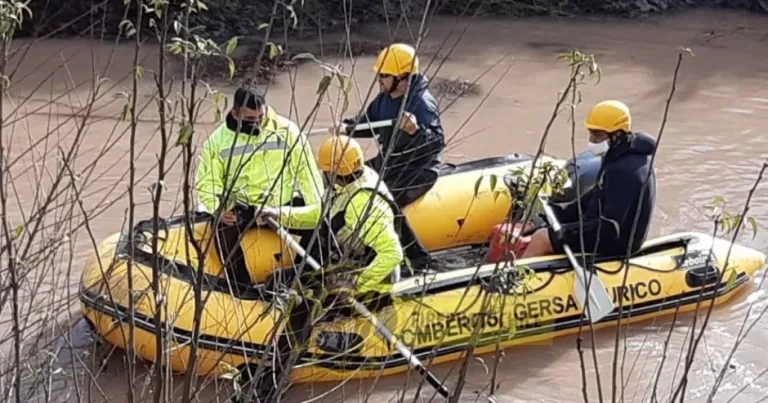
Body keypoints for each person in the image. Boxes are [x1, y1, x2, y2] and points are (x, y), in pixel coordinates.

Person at [194, 87, 325, 290]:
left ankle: (300, 279)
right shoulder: (217, 142)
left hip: (281, 206)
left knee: (319, 227)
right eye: (249, 119)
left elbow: (308, 176)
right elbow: (207, 182)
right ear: (235, 113)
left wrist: (315, 208)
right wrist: (218, 208)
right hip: (242, 209)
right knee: (222, 233)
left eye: (260, 117)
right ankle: (241, 289)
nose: (256, 123)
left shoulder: (287, 132)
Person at [521, 100, 657, 259]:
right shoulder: (618, 155)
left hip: (617, 242)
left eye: (598, 135)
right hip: (602, 228)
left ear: (617, 134)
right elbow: (596, 195)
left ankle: (513, 282)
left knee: (541, 239)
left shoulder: (626, 170)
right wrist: (557, 213)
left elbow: (609, 227)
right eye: (591, 133)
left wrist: (563, 232)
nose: (592, 140)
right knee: (545, 229)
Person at [339, 43, 445, 208]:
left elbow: (437, 142)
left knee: (379, 201)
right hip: (391, 161)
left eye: (384, 75)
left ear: (403, 78)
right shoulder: (384, 98)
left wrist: (415, 131)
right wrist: (346, 127)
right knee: (346, 180)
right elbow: (370, 123)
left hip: (417, 170)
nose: (379, 80)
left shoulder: (422, 103)